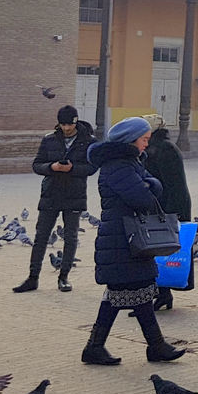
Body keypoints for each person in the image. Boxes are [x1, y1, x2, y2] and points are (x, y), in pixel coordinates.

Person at [80, 116, 186, 366]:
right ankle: (152, 346)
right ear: (130, 139)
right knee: (130, 291)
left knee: (127, 292)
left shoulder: (127, 162)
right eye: (144, 140)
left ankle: (101, 347)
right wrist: (153, 184)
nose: (146, 145)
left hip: (126, 237)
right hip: (122, 237)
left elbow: (146, 188)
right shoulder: (119, 165)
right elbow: (144, 197)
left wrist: (149, 183)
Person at [15, 105, 96, 293]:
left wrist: (73, 169)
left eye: (69, 124)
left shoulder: (88, 141)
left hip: (74, 195)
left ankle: (64, 277)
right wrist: (52, 167)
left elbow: (92, 168)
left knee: (70, 237)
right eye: (63, 124)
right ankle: (32, 277)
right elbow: (37, 165)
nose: (66, 128)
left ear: (75, 122)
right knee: (41, 236)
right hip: (50, 194)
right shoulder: (49, 139)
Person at [144, 120, 192, 311]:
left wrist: (172, 214)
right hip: (158, 207)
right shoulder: (154, 147)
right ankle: (162, 295)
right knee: (156, 253)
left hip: (168, 208)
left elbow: (175, 185)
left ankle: (163, 294)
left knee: (164, 253)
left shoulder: (165, 149)